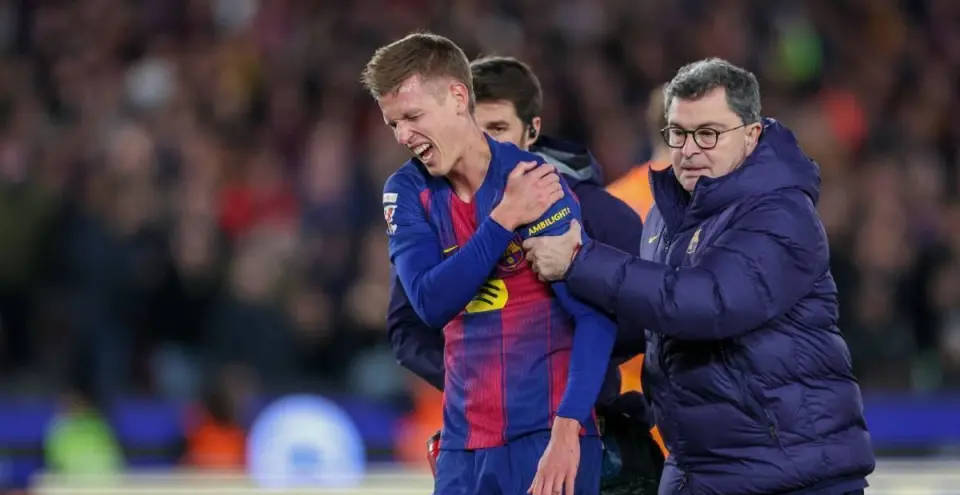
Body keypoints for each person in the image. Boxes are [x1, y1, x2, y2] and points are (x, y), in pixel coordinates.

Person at [523, 58, 876, 494]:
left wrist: (581, 260)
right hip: (699, 469)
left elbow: (707, 303)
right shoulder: (664, 217)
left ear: (751, 135)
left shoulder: (779, 212)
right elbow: (653, 322)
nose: (689, 150)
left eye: (708, 133)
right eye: (678, 133)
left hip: (793, 474)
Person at [386, 55, 663, 494]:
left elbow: (637, 317)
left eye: (497, 127)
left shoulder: (595, 210)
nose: (481, 140)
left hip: (581, 423)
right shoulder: (428, 204)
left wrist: (561, 382)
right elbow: (410, 328)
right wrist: (481, 386)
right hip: (472, 435)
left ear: (532, 130)